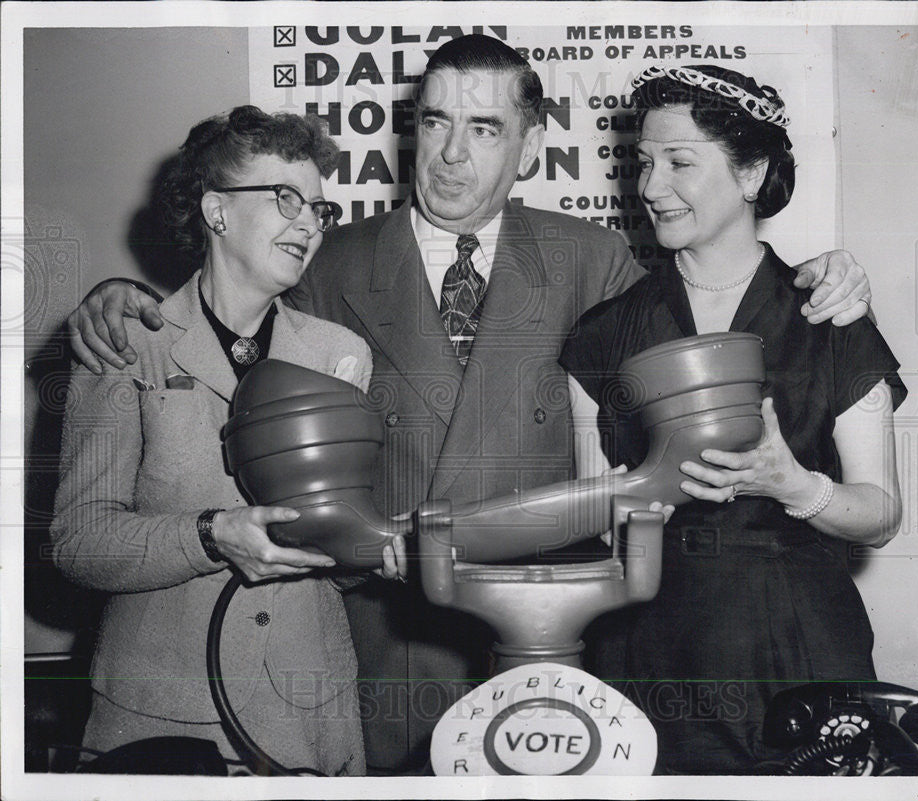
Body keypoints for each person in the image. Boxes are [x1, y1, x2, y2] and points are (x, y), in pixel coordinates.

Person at [64, 37, 875, 774]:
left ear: (530, 147)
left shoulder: (593, 260)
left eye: (485, 129)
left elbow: (708, 294)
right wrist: (114, 298)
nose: (451, 154)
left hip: (544, 654)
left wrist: (825, 273)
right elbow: (217, 313)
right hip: (379, 654)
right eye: (436, 121)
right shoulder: (323, 257)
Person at [559, 64, 906, 774]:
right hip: (645, 658)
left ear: (751, 173)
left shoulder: (832, 318)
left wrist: (794, 485)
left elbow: (881, 512)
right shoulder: (602, 336)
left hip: (801, 653)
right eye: (643, 163)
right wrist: (638, 497)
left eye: (680, 162)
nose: (651, 186)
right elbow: (592, 516)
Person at [50, 106, 404, 776]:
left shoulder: (339, 352)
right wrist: (212, 533)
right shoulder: (126, 342)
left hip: (310, 716)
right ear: (215, 210)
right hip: (163, 726)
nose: (309, 222)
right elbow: (78, 540)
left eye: (320, 210)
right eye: (285, 199)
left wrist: (373, 548)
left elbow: (345, 548)